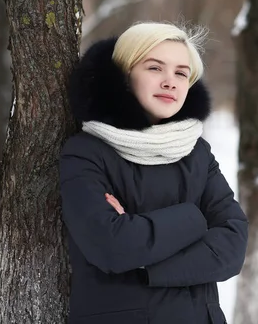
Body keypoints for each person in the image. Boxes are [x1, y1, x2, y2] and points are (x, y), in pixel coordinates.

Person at [59, 22, 248, 324]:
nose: (170, 82)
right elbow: (111, 247)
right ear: (124, 74)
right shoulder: (85, 153)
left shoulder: (197, 152)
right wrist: (194, 218)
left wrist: (146, 264)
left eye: (181, 73)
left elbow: (232, 246)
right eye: (154, 68)